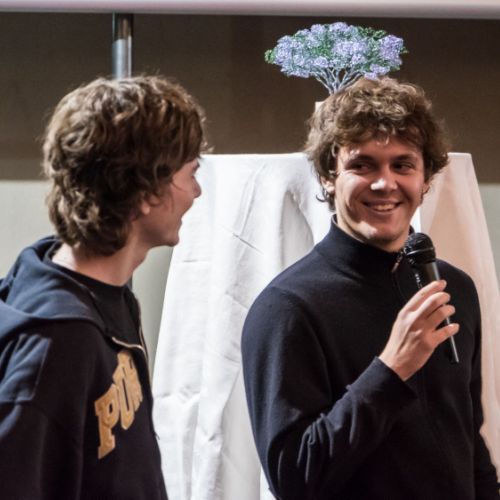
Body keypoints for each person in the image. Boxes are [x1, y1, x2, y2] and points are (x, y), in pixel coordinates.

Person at [241, 77, 499, 499]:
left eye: (403, 165)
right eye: (363, 165)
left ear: (426, 179)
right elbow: (294, 479)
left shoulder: (453, 288)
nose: (385, 184)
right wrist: (391, 370)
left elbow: (468, 443)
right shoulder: (287, 308)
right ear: (328, 176)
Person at [0, 75, 205, 499]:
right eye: (191, 173)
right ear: (148, 190)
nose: (196, 192)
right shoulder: (57, 341)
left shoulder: (106, 297)